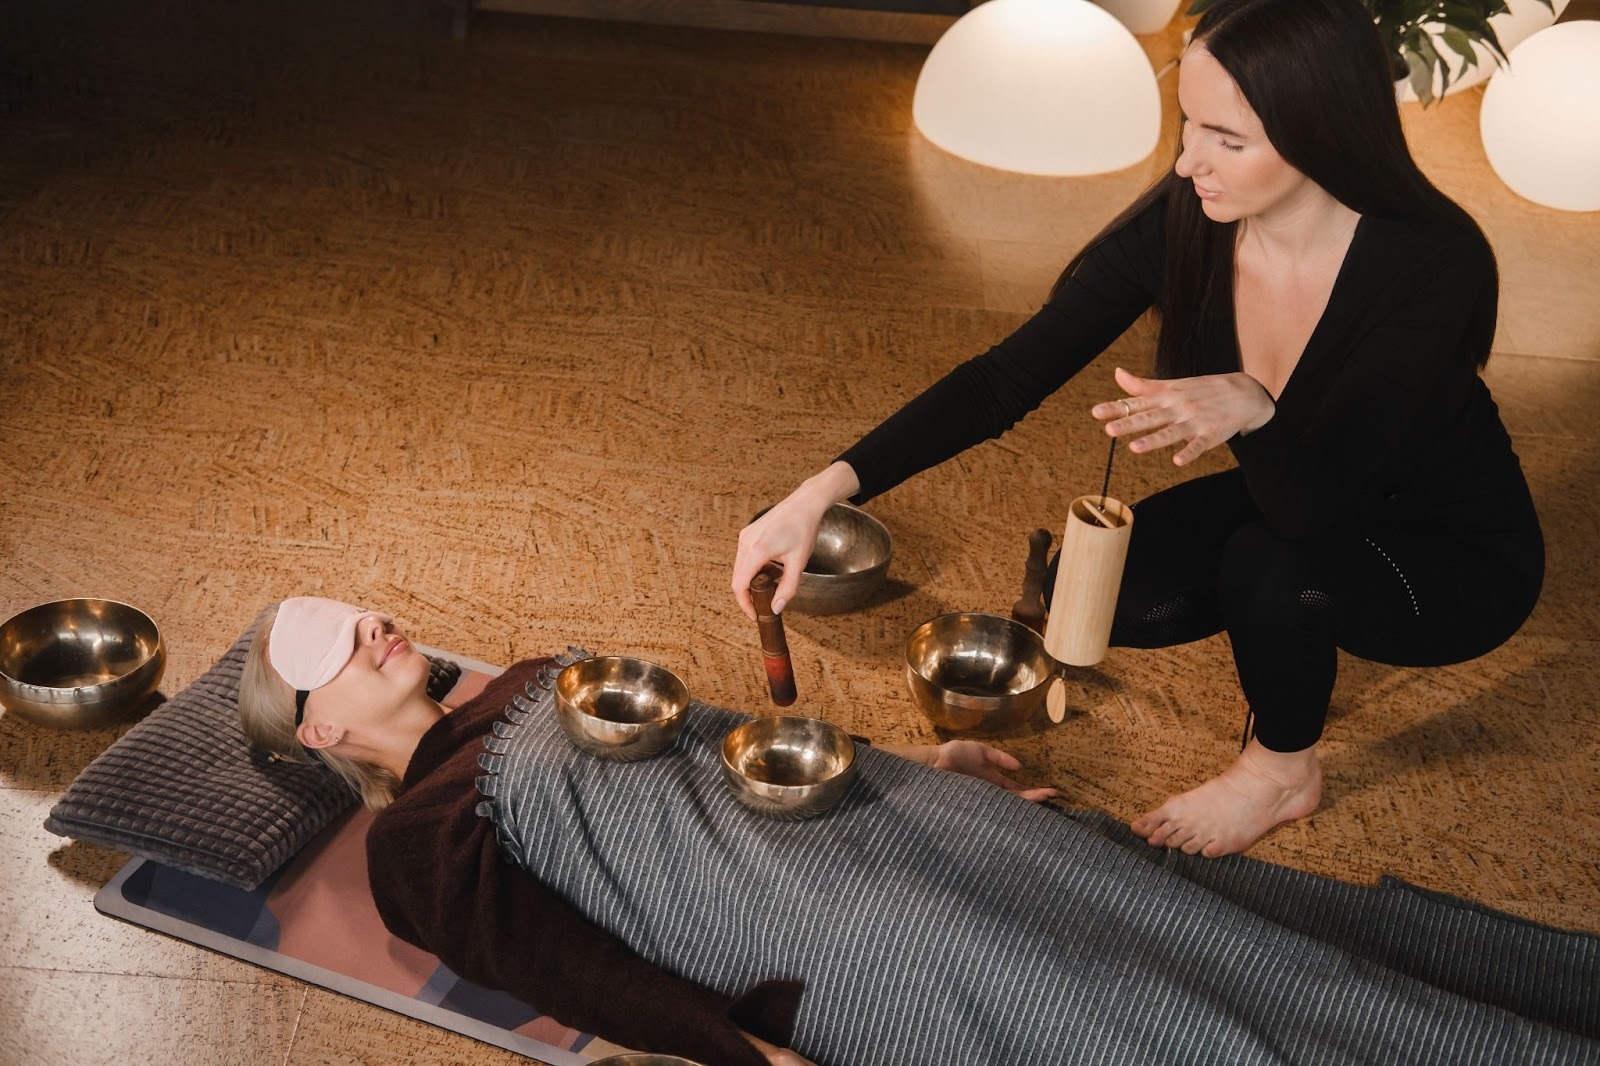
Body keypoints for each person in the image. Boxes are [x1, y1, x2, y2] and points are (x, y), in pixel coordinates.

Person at [732, 0, 1543, 860]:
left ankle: (1282, 770)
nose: (1189, 161)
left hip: (1444, 552)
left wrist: (1256, 410)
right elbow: (1004, 380)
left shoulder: (1429, 261)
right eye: (1189, 122)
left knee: (1273, 568)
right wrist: (821, 492)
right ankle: (1290, 637)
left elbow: (1314, 512)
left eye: (1227, 139)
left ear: (1323, 130)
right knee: (1096, 593)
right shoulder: (1192, 217)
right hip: (1296, 487)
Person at [239, 595, 1597, 1066]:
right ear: (319, 730)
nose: (369, 625)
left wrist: (917, 764)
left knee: (1227, 930)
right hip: (848, 937)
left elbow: (740, 740)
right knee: (1145, 1024)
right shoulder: (413, 848)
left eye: (361, 609)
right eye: (329, 646)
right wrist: (742, 1047)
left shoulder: (539, 675)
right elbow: (563, 964)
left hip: (896, 818)